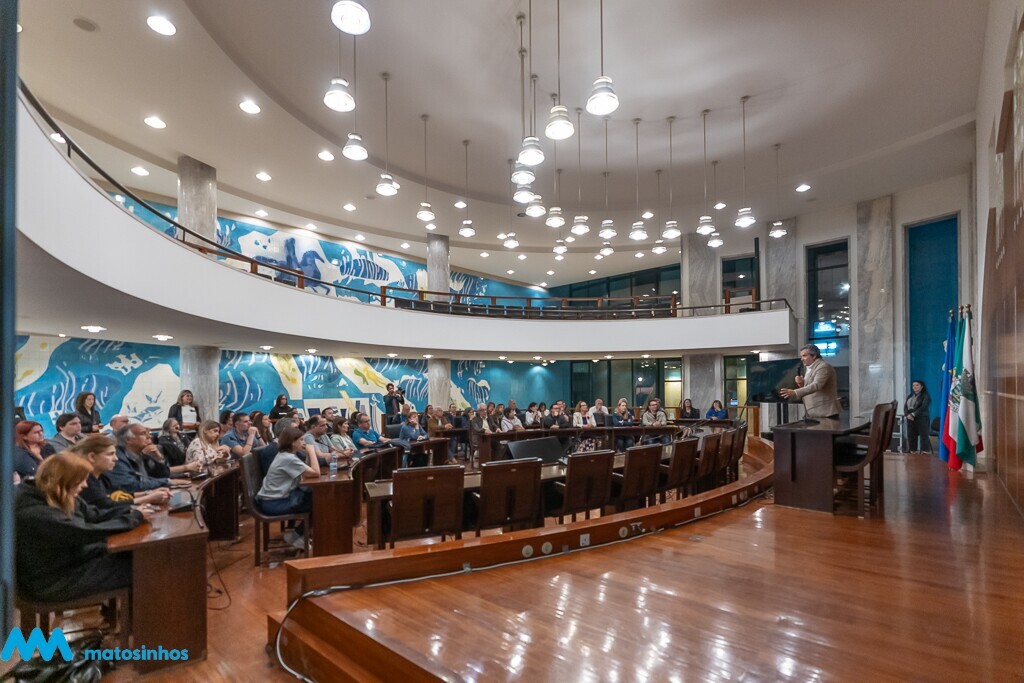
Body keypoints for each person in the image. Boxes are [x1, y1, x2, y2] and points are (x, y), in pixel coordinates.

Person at [15, 452, 144, 602]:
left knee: (133, 556)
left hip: (70, 561)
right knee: (141, 569)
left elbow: (94, 514)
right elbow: (84, 532)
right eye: (80, 480)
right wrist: (133, 518)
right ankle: (144, 615)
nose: (85, 485)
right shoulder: (33, 511)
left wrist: (131, 511)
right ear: (64, 480)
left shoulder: (54, 493)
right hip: (52, 581)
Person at [255, 428, 320, 549]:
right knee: (320, 503)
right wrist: (312, 451)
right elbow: (316, 472)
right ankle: (297, 536)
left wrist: (307, 454)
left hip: (276, 498)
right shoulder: (288, 459)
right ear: (292, 442)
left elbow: (306, 472)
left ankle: (298, 535)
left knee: (316, 498)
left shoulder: (287, 455)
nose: (304, 443)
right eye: (301, 440)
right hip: (275, 503)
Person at [71, 435, 170, 509]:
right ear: (92, 457)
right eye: (110, 454)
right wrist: (148, 498)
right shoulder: (84, 481)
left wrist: (149, 493)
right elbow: (105, 505)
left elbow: (117, 494)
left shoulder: (101, 477)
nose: (116, 459)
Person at [111, 424, 182, 493]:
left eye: (148, 433)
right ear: (128, 440)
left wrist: (159, 458)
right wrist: (167, 481)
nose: (149, 436)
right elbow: (130, 485)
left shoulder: (142, 454)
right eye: (143, 433)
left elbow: (163, 474)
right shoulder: (117, 459)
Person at [779, 344, 842, 419]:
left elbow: (817, 385)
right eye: (801, 356)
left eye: (804, 356)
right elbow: (810, 387)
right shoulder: (811, 367)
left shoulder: (823, 366)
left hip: (826, 413)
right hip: (814, 412)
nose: (802, 359)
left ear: (814, 355)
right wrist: (802, 383)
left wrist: (795, 392)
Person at [904, 380, 933, 453]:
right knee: (911, 434)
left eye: (917, 385)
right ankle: (912, 450)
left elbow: (924, 407)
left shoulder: (925, 395)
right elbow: (905, 406)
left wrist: (913, 414)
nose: (915, 387)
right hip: (910, 418)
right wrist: (907, 415)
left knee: (923, 435)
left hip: (921, 418)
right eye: (913, 385)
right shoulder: (910, 396)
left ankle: (924, 451)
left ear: (922, 386)